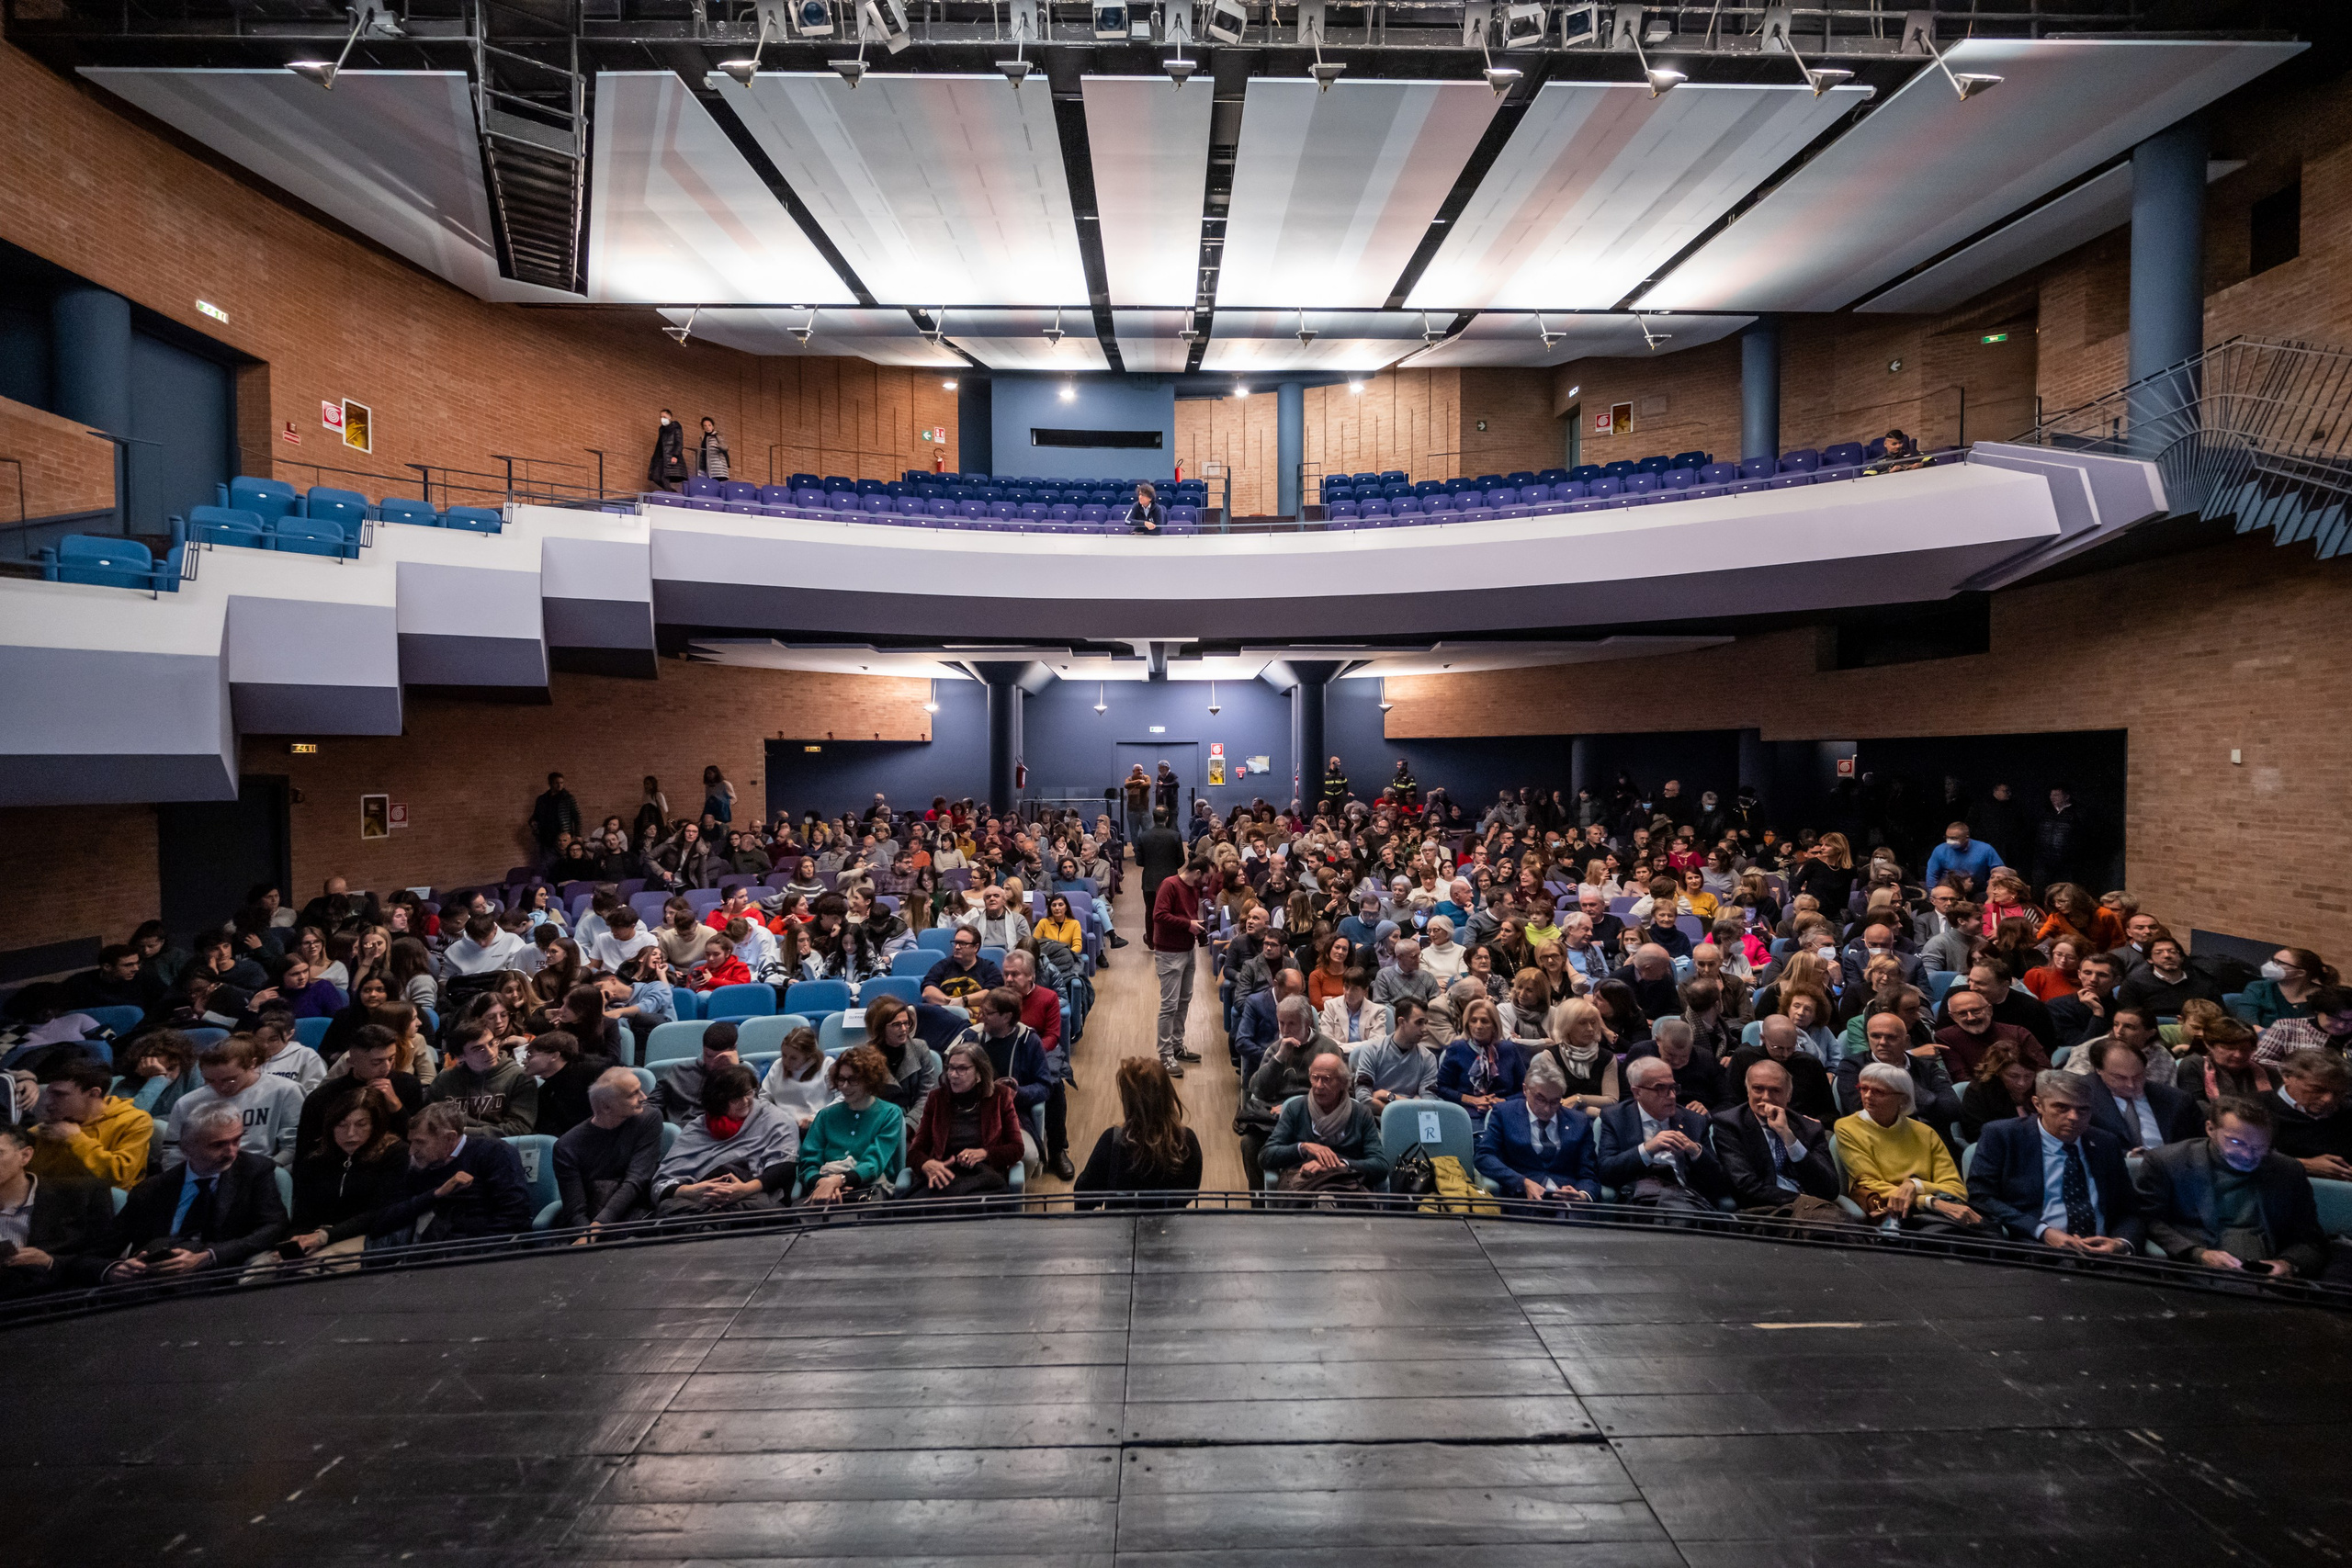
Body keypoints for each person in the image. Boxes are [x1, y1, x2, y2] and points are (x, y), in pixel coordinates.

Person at [2138, 1097, 2327, 1279]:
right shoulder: (2169, 1162)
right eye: (2237, 1143)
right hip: (2194, 1270)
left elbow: (2310, 1238)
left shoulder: (2287, 1170)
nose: (2248, 1155)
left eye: (2260, 1146)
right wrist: (2197, 1254)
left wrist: (2288, 1264)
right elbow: (2150, 1221)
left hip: (2268, 1272)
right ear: (2210, 1128)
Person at [103, 1102, 289, 1283]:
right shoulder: (152, 1189)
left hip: (221, 1276)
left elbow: (274, 1227)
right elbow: (102, 1249)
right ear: (186, 1148)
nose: (232, 1152)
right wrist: (115, 1268)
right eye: (218, 1145)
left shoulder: (254, 1170)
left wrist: (207, 1257)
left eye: (236, 1140)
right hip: (158, 1278)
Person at [1965, 1070, 2143, 1254]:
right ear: (2038, 1105)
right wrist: (2042, 1232)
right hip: (2036, 1250)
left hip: (2105, 1254)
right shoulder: (2003, 1136)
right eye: (2062, 1108)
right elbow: (1982, 1198)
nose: (2074, 1117)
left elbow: (2129, 1209)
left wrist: (2121, 1243)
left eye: (2083, 1109)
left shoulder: (2105, 1143)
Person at [1833, 1063, 1983, 1232]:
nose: (1867, 1096)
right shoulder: (1847, 1127)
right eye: (1863, 1088)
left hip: (1937, 1216)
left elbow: (1956, 1190)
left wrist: (1915, 1185)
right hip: (1891, 1214)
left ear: (1903, 1099)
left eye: (1878, 1091)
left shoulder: (1925, 1133)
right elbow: (1869, 1184)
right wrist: (1930, 1202)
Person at [374, 1101, 534, 1244]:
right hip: (431, 1252)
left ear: (449, 1138)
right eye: (411, 1141)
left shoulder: (494, 1152)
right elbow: (382, 1221)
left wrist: (474, 1252)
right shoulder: (417, 1165)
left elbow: (514, 1215)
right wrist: (436, 1194)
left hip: (485, 1251)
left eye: (420, 1142)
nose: (411, 1151)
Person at [282, 1088, 413, 1259]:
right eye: (342, 1125)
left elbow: (381, 1212)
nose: (350, 1133)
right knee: (261, 1269)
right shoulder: (316, 1160)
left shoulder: (395, 1154)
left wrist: (325, 1236)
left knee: (316, 1266)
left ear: (375, 1125)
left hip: (366, 1236)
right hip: (317, 1236)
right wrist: (293, 1243)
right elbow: (303, 1217)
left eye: (361, 1124)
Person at [654, 1064, 797, 1215]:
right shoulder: (696, 1129)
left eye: (748, 1093)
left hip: (752, 1195)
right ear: (718, 1100)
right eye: (736, 1098)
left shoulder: (775, 1119)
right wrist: (690, 1191)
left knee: (762, 1209)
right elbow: (661, 1185)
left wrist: (745, 1189)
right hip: (697, 1200)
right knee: (668, 1208)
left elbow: (785, 1166)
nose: (744, 1101)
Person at [1710, 1055, 1843, 1214]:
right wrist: (1801, 1201)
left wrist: (1788, 1137)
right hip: (1766, 1210)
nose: (1766, 1097)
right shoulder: (1730, 1124)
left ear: (1788, 1096)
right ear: (1748, 1091)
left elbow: (1830, 1188)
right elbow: (1745, 1186)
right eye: (1758, 1089)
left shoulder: (1809, 1128)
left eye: (1775, 1090)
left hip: (1815, 1210)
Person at [1595, 1056, 1730, 1213]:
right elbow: (1606, 1171)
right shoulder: (1616, 1118)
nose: (1672, 1096)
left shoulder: (1694, 1121)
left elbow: (1721, 1184)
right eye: (1660, 1089)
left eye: (1673, 1087)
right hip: (1636, 1200)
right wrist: (1647, 1149)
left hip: (1687, 1198)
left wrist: (1695, 1151)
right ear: (1637, 1092)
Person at [0, 1121, 119, 1296]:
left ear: (25, 1156)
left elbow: (103, 1260)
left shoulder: (79, 1196)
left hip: (53, 1299)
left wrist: (50, 1262)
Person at [1261, 1048, 1392, 1201]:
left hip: (1346, 1184)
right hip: (1303, 1185)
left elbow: (1380, 1165)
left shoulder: (1361, 1114)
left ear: (1343, 1083)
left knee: (1332, 1200)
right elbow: (1266, 1156)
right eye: (1315, 1078)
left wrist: (1340, 1165)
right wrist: (1303, 1147)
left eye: (1327, 1079)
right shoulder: (1296, 1109)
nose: (1318, 1085)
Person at [1073, 1056, 1203, 1210]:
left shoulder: (1112, 1141)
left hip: (1119, 1226)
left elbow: (1084, 1193)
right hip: (1171, 1226)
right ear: (1168, 1096)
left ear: (1130, 1103)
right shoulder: (1186, 1142)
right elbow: (1189, 1193)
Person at [1475, 1055, 1600, 1205]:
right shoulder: (1504, 1113)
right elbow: (1484, 1157)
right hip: (1521, 1200)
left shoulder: (1579, 1122)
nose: (1547, 1109)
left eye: (1555, 1101)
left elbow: (1590, 1174)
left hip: (1568, 1204)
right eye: (1540, 1099)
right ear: (1525, 1090)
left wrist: (1581, 1195)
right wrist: (1522, 1182)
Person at [164, 1035, 304, 1168]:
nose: (221, 1087)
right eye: (210, 1081)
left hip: (264, 1165)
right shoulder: (188, 1102)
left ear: (252, 1064)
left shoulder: (284, 1090)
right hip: (206, 1170)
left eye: (229, 1080)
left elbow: (293, 1144)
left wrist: (269, 1168)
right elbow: (173, 1151)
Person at [905, 1042, 1023, 1198]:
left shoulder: (1000, 1097)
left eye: (962, 1069)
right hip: (943, 1174)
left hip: (984, 1177)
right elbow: (914, 1152)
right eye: (950, 1068)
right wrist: (925, 1164)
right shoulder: (937, 1098)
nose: (953, 1074)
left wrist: (985, 1153)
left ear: (979, 1074)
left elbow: (1017, 1148)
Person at [554, 1067, 664, 1230]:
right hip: (591, 1216)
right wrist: (586, 1236)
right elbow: (575, 1209)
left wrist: (597, 1228)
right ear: (606, 1107)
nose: (644, 1097)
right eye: (633, 1094)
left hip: (635, 1213)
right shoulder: (566, 1146)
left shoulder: (649, 1118)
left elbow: (637, 1179)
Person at [295, 1024, 424, 1159]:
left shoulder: (408, 1085)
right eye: (376, 1062)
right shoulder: (324, 1097)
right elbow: (305, 1152)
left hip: (393, 1163)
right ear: (352, 1061)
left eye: (391, 1058)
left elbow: (417, 1141)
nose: (386, 1067)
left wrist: (397, 1108)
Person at [797, 1045, 906, 1202]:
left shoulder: (890, 1114)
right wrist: (822, 1182)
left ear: (870, 1080)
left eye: (853, 1080)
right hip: (822, 1186)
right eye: (841, 1079)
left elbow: (874, 1162)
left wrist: (838, 1180)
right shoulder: (825, 1115)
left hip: (868, 1188)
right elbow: (808, 1161)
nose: (844, 1086)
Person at [29, 1061, 152, 1190]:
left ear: (94, 1093)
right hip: (53, 1196)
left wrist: (75, 1139)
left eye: (59, 1095)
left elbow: (121, 1178)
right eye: (49, 1094)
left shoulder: (135, 1121)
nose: (48, 1102)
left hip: (100, 1201)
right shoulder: (49, 1126)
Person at [2082, 1032, 2205, 1153]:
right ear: (2099, 1070)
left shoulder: (2177, 1100)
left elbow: (2199, 1144)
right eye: (2120, 1077)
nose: (2131, 1085)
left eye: (2138, 1076)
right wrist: (2129, 1157)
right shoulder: (2083, 1098)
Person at [425, 1021, 540, 1137]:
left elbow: (519, 1128)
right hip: (452, 1146)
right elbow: (431, 1122)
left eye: (492, 1043)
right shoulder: (444, 1080)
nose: (490, 1053)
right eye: (478, 1049)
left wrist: (463, 1134)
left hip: (500, 1146)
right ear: (460, 1056)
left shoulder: (519, 1077)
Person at [1149, 856, 1209, 1077]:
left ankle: (1177, 1045)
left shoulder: (1193, 888)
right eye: (1206, 877)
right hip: (1168, 953)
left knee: (1184, 1000)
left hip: (1187, 950)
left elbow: (1188, 915)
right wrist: (1188, 925)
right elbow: (1159, 915)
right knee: (1169, 1005)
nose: (1207, 882)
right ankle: (1165, 1054)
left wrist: (1195, 927)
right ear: (1197, 872)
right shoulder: (1170, 884)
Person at [1434, 998, 1525, 1119]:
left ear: (1494, 1025)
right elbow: (1441, 1088)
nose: (1478, 1026)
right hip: (1467, 1114)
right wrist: (1472, 1100)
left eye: (1484, 1021)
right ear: (1467, 1024)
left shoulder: (1508, 1049)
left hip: (1504, 1113)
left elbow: (1525, 1089)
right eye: (1473, 1021)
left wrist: (1503, 1101)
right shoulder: (1458, 1048)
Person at [2270, 1049, 2352, 1179]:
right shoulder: (2256, 1109)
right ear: (2287, 1077)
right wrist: (2301, 1165)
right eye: (2317, 1090)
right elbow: (2234, 1158)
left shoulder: (2346, 1112)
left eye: (2337, 1093)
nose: (2328, 1099)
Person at [1956, 1040, 2040, 1144]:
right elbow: (1976, 1134)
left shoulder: (2041, 1086)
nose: (2022, 1083)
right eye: (2013, 1076)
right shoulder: (1978, 1091)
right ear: (1997, 1072)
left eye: (2028, 1076)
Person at [759, 1025, 839, 1133]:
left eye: (793, 1058)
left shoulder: (827, 1065)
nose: (786, 1061)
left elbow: (841, 1098)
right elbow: (764, 1098)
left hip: (819, 1125)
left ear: (809, 1056)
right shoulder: (778, 1065)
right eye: (784, 1055)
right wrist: (777, 1117)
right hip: (783, 1126)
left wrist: (817, 1116)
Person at [2255, 986, 2352, 1066]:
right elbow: (2259, 1059)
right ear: (2318, 1010)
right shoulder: (2287, 1027)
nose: (2341, 1025)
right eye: (2335, 1018)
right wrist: (2298, 1072)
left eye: (2350, 1021)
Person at [921, 925, 1003, 1008]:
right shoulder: (943, 965)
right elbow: (927, 991)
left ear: (975, 947)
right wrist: (953, 1005)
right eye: (956, 943)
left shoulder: (989, 967)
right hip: (946, 1013)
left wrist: (963, 1001)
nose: (957, 947)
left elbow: (992, 994)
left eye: (962, 944)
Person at [1923, 821, 2001, 896]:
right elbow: (1932, 875)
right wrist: (1933, 895)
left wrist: (1992, 889)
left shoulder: (1985, 849)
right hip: (1949, 892)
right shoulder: (1940, 850)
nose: (1949, 841)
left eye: (1954, 838)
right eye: (1947, 837)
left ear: (1966, 837)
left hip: (1978, 891)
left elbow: (1999, 871)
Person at [531, 771, 582, 857]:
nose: (559, 785)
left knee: (564, 858)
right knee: (547, 861)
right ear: (550, 783)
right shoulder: (542, 799)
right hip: (546, 836)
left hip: (562, 833)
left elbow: (577, 816)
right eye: (556, 783)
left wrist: (578, 834)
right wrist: (533, 822)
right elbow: (536, 815)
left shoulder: (568, 798)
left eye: (561, 783)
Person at [647, 407, 688, 491]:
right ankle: (671, 492)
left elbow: (679, 443)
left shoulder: (676, 428)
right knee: (655, 476)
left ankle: (671, 496)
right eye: (661, 417)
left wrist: (675, 456)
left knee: (664, 477)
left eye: (664, 417)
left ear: (670, 417)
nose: (662, 419)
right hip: (661, 457)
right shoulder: (662, 429)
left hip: (670, 456)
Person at [695, 414, 729, 480]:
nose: (707, 427)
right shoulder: (703, 438)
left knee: (717, 484)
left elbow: (726, 447)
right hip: (707, 466)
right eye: (705, 426)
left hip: (717, 466)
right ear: (703, 428)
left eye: (709, 425)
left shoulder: (717, 435)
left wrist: (717, 445)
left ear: (713, 426)